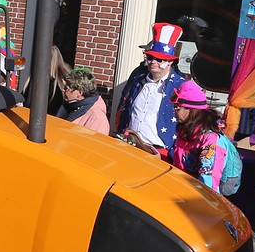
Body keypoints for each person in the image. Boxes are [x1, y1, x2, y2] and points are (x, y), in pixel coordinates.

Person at [112, 22, 189, 156]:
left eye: (159, 59)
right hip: (129, 146)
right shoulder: (138, 79)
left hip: (159, 153)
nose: (153, 61)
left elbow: (189, 122)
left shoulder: (181, 86)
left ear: (170, 61)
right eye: (150, 57)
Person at [167, 81, 227, 192]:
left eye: (177, 108)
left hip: (198, 195)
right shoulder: (185, 129)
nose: (174, 112)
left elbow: (209, 181)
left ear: (190, 109)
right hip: (180, 187)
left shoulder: (211, 138)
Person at [58, 65, 108, 133]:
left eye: (67, 88)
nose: (63, 90)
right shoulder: (70, 106)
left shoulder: (97, 118)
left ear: (80, 92)